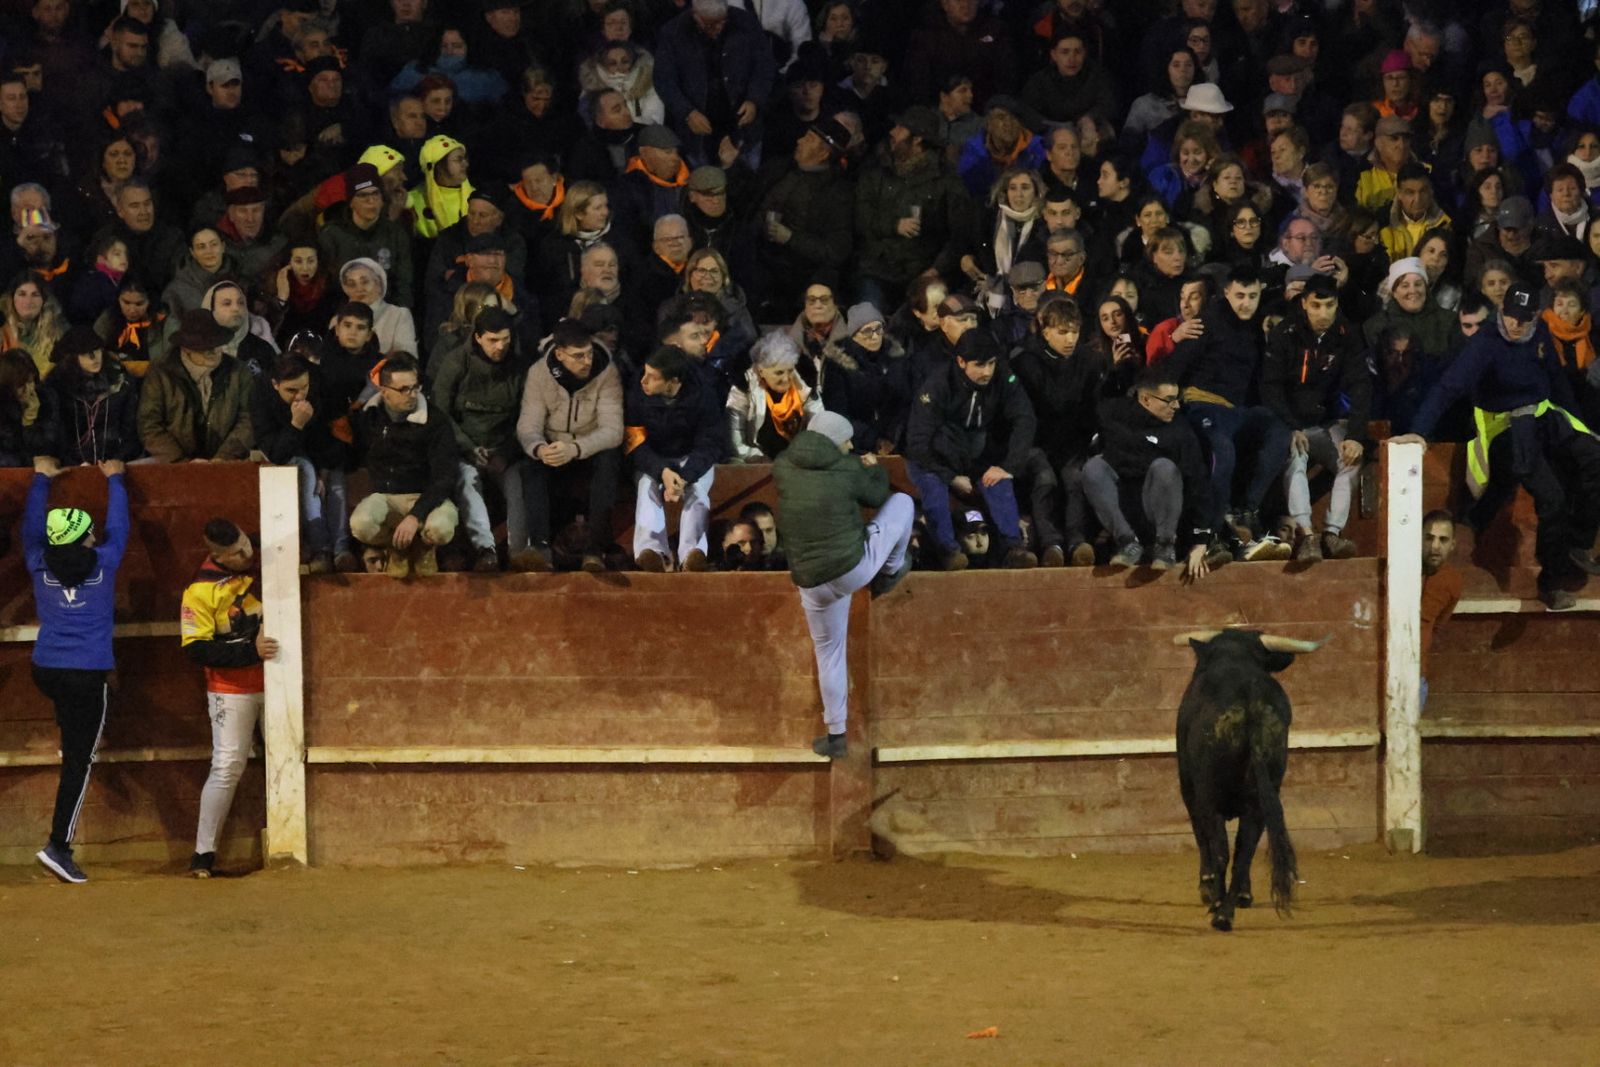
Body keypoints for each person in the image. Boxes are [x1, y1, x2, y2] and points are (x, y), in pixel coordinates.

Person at [1394, 284, 1600, 611]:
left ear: (1536, 315)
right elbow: (1449, 386)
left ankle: (1580, 541)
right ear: (1502, 311)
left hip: (1543, 413)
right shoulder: (1486, 342)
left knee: (1594, 457)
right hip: (1505, 425)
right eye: (1511, 316)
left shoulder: (1540, 333)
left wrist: (1579, 425)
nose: (1516, 324)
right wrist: (1419, 430)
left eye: (1524, 318)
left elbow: (1557, 382)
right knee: (1552, 497)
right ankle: (1551, 582)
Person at [774, 409, 914, 760]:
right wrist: (874, 468)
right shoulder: (848, 467)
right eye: (847, 440)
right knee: (903, 503)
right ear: (835, 441)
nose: (851, 446)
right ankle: (892, 571)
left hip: (810, 580)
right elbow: (877, 495)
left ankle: (836, 734)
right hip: (852, 568)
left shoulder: (783, 466)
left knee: (829, 653)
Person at [24, 455, 129, 884]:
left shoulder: (37, 561)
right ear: (85, 539)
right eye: (89, 533)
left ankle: (69, 735)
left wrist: (41, 479)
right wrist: (116, 480)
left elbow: (31, 529)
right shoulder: (105, 562)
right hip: (85, 673)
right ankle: (58, 846)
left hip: (46, 669)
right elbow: (120, 529)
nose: (95, 536)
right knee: (80, 762)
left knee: (74, 741)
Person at [1164, 265, 1292, 558]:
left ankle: (1245, 513)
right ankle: (1209, 535)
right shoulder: (1206, 323)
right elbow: (1174, 367)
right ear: (1226, 293)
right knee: (1222, 451)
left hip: (1238, 412)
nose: (1246, 303)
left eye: (1252, 296)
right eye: (1239, 296)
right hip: (1203, 405)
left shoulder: (1259, 325)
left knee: (1278, 431)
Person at [179, 518, 278, 878]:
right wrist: (251, 653)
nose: (247, 554)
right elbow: (196, 649)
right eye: (237, 553)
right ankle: (203, 854)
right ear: (217, 556)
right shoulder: (199, 591)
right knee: (226, 766)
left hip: (278, 681)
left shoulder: (267, 549)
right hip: (232, 688)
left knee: (285, 756)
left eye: (246, 544)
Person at [905, 329, 1038, 570]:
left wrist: (1009, 467)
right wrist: (950, 477)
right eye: (979, 365)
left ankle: (1013, 549)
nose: (987, 371)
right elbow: (918, 442)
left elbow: (1025, 418)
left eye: (991, 363)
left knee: (997, 481)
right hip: (935, 458)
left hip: (974, 455)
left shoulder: (1003, 377)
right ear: (961, 362)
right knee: (933, 486)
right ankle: (948, 551)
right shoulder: (938, 384)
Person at [1261, 276, 1371, 562]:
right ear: (1304, 304)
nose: (1323, 313)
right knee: (1296, 457)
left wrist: (1355, 436)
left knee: (1351, 459)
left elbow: (1360, 385)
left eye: (1329, 305)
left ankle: (1332, 533)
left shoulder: (1347, 333)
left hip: (1326, 421)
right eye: (1316, 306)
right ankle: (1307, 534)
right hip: (1290, 422)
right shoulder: (1285, 333)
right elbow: (1270, 387)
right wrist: (1290, 426)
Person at [1086, 362, 1218, 575]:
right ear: (1146, 399)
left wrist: (1200, 541)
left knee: (1163, 467)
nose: (1176, 406)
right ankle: (1127, 543)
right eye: (1169, 400)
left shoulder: (1180, 430)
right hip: (1128, 512)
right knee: (1094, 467)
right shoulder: (1115, 416)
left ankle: (1165, 546)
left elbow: (1198, 483)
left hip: (1164, 516)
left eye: (1177, 398)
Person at [515, 319, 623, 572]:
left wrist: (575, 448)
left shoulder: (606, 372)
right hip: (553, 446)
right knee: (530, 466)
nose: (587, 361)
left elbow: (613, 430)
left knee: (609, 461)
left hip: (589, 447)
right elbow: (528, 425)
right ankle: (540, 548)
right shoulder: (539, 373)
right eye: (578, 356)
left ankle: (595, 550)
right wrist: (540, 448)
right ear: (560, 354)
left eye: (589, 353)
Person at [430, 307, 530, 571]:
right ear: (477, 337)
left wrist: (506, 453)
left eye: (505, 339)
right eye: (493, 340)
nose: (500, 347)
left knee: (517, 485)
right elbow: (440, 413)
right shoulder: (456, 362)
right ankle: (486, 550)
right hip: (466, 447)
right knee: (467, 482)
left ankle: (519, 552)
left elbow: (528, 417)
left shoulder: (519, 367)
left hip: (505, 449)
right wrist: (468, 448)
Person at [350, 353, 460, 578]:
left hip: (427, 497)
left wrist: (415, 516)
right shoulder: (369, 418)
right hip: (387, 497)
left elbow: (445, 476)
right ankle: (396, 546)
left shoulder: (436, 421)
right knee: (361, 524)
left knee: (441, 528)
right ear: (384, 391)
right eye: (404, 389)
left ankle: (424, 547)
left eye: (415, 387)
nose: (412, 394)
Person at [624, 344, 727, 572]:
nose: (643, 381)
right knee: (646, 486)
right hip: (654, 457)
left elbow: (710, 444)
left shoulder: (704, 394)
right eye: (645, 373)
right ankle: (652, 552)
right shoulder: (637, 393)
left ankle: (692, 554)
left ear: (673, 382)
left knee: (697, 492)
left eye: (653, 377)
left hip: (692, 458)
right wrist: (662, 471)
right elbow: (635, 442)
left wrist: (686, 476)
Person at [249, 353, 353, 573]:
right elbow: (276, 452)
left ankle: (342, 550)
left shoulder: (321, 383)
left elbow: (335, 434)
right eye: (291, 390)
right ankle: (321, 549)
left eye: (304, 387)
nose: (299, 396)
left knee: (335, 476)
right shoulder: (260, 394)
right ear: (275, 384)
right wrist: (296, 424)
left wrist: (323, 469)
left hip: (323, 448)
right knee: (305, 471)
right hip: (288, 448)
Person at [136, 310, 254, 463]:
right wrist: (181, 462)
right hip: (172, 464)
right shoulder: (161, 372)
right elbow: (149, 425)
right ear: (186, 348)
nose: (214, 351)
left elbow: (248, 419)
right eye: (205, 347)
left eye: (217, 344)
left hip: (226, 463)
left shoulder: (239, 371)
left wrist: (223, 457)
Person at [727, 331, 821, 463]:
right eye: (779, 373)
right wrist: (759, 459)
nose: (786, 378)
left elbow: (820, 430)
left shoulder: (805, 386)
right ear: (761, 370)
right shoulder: (743, 389)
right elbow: (735, 443)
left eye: (790, 371)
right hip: (756, 463)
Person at [1418, 508, 1460, 710]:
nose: (1435, 546)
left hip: (1418, 675)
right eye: (1429, 538)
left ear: (1452, 545)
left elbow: (1437, 628)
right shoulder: (1397, 569)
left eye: (1443, 540)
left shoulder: (1453, 582)